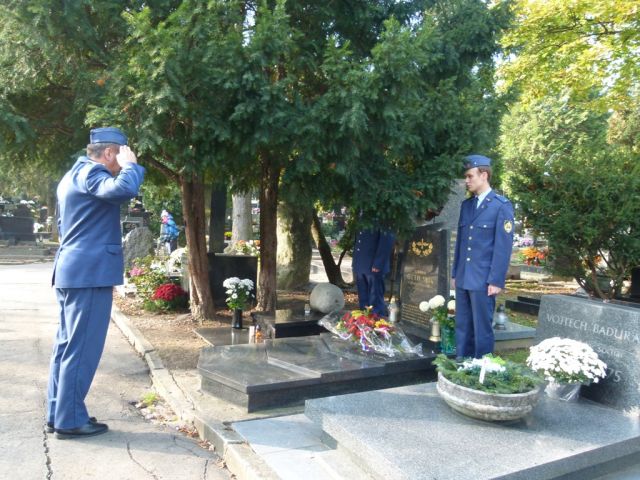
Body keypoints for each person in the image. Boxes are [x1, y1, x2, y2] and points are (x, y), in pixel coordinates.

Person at [47, 127, 145, 439]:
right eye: (122, 153)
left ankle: (59, 413)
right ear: (109, 153)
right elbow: (121, 190)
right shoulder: (92, 173)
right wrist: (131, 167)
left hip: (74, 271)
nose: (124, 159)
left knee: (67, 347)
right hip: (88, 274)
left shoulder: (72, 175)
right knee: (82, 349)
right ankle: (70, 420)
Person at [451, 154, 514, 359]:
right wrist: (455, 273)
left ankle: (481, 368)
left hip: (483, 279)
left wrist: (496, 280)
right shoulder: (466, 205)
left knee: (482, 329)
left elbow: (503, 248)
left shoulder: (501, 206)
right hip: (464, 277)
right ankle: (462, 364)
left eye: (470, 176)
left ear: (484, 175)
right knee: (462, 326)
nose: (466, 180)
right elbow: (461, 243)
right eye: (466, 176)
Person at [352, 226, 395, 316]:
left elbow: (386, 241)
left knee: (375, 300)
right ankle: (364, 322)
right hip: (361, 264)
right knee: (363, 299)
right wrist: (356, 262)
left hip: (374, 265)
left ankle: (378, 321)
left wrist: (379, 263)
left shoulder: (383, 218)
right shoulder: (364, 217)